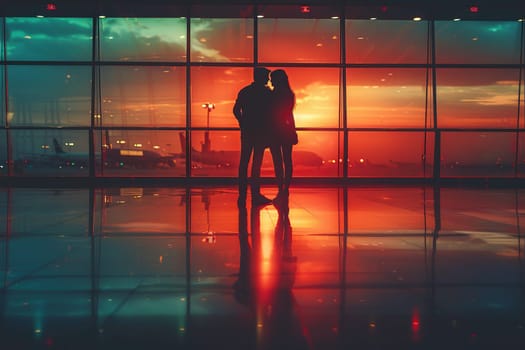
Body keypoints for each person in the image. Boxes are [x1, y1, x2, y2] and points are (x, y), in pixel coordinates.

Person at [233, 67, 274, 206]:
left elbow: (236, 110)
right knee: (257, 164)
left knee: (244, 162)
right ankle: (255, 194)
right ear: (261, 77)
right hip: (261, 133)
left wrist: (242, 122)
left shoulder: (245, 91)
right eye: (267, 77)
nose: (269, 79)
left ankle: (242, 194)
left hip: (247, 131)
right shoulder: (267, 93)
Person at [269, 69, 298, 201]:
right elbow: (290, 115)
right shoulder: (289, 94)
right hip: (286, 130)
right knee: (288, 160)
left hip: (274, 130)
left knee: (277, 161)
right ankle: (286, 188)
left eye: (272, 78)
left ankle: (280, 187)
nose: (270, 81)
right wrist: (293, 130)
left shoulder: (271, 95)